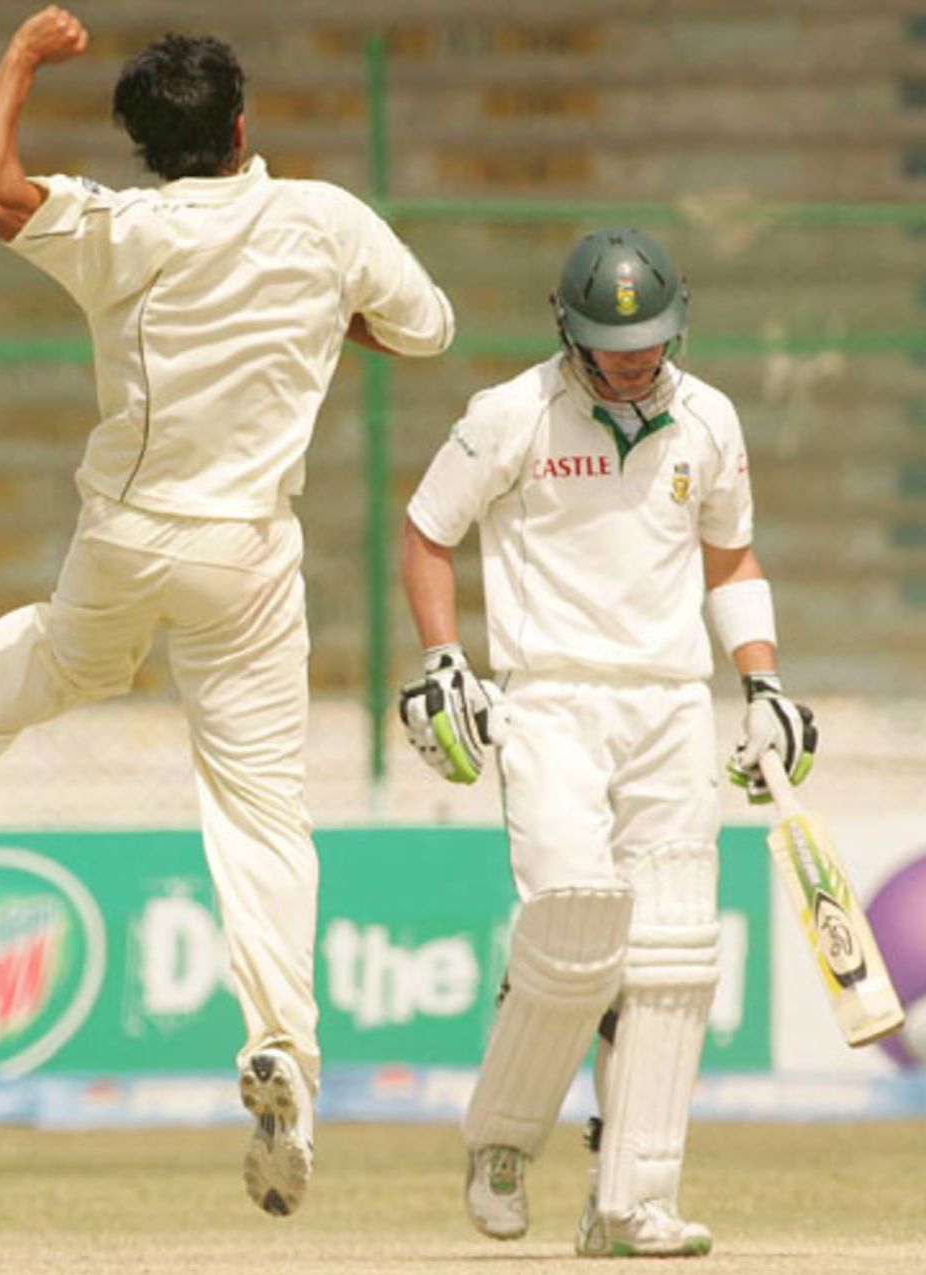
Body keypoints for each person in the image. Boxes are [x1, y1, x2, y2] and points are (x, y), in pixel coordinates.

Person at [0, 6, 454, 1219]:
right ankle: (282, 1051)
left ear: (145, 145)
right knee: (258, 808)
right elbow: (425, 329)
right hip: (245, 553)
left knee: (52, 657)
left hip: (127, 534)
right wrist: (314, 313)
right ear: (241, 126)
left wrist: (24, 58)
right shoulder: (324, 218)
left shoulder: (114, 223)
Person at [398, 227, 816, 1257]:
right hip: (550, 700)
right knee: (574, 926)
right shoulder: (510, 415)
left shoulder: (705, 416)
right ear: (566, 331)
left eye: (650, 342)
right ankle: (500, 1141)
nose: (632, 362)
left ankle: (630, 1201)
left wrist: (760, 682)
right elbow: (424, 532)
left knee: (672, 959)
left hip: (669, 705)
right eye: (609, 344)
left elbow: (729, 557)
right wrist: (447, 660)